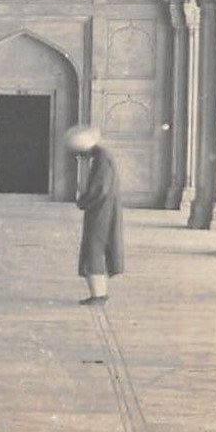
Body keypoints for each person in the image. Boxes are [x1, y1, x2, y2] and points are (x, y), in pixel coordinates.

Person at [65, 124, 122, 305]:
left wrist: (83, 201)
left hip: (101, 211)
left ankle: (98, 296)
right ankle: (99, 294)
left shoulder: (102, 158)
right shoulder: (101, 156)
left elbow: (100, 189)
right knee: (94, 249)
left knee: (93, 250)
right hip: (101, 209)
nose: (80, 157)